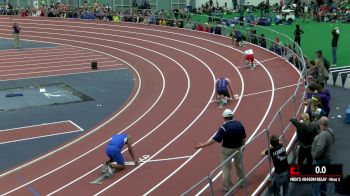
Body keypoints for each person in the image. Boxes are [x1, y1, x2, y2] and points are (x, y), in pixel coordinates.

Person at [195, 109, 246, 192]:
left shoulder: (223, 127)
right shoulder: (240, 124)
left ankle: (227, 187)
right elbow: (243, 137)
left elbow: (214, 140)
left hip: (227, 150)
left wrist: (203, 145)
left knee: (226, 168)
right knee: (239, 165)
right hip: (238, 148)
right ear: (232, 116)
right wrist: (243, 146)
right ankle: (242, 181)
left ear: (224, 117)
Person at [311, 117, 335, 196]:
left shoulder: (323, 135)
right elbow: (333, 140)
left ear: (321, 124)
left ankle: (316, 194)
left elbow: (320, 147)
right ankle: (323, 192)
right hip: (327, 158)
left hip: (320, 160)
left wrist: (315, 155)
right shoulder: (330, 131)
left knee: (315, 180)